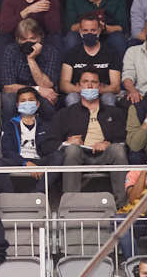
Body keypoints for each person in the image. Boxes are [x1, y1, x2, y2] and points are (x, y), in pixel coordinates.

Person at [54, 67, 129, 205]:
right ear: (78, 86)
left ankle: (122, 206)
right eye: (85, 82)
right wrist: (67, 142)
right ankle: (71, 205)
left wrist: (108, 143)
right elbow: (50, 142)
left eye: (94, 82)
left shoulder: (115, 112)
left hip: (106, 153)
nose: (89, 85)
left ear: (100, 87)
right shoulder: (65, 114)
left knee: (118, 149)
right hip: (79, 154)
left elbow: (124, 139)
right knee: (72, 150)